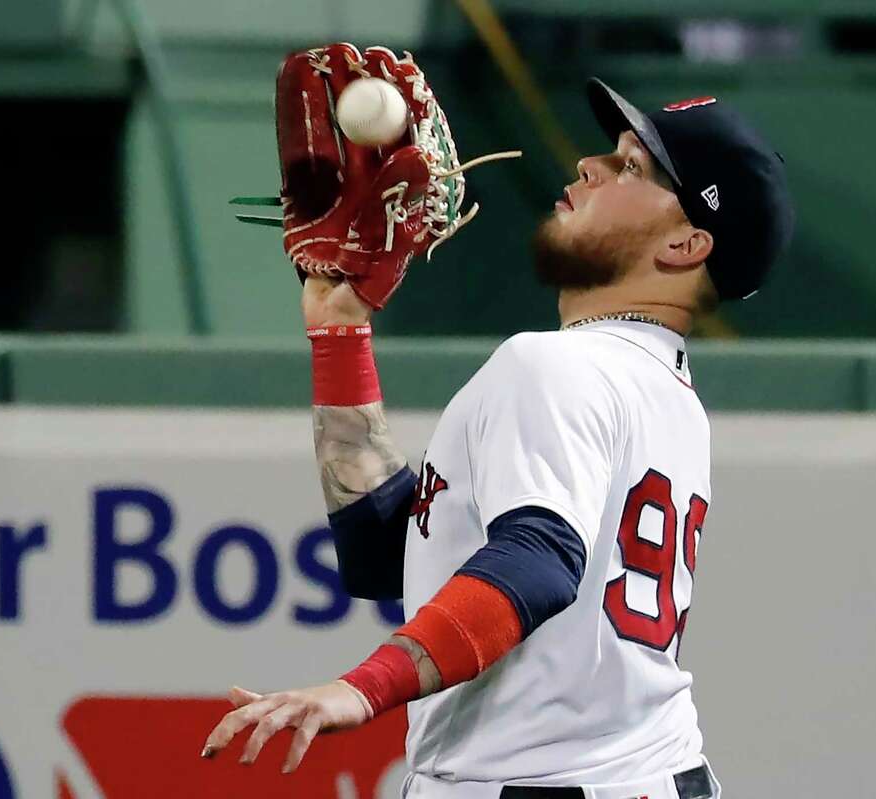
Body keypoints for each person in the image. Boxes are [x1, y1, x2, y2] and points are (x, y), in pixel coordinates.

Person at [202, 70, 793, 799]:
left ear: (685, 245)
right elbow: (388, 558)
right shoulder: (661, 391)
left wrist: (360, 688)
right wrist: (340, 333)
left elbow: (537, 561)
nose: (591, 165)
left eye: (632, 166)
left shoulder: (557, 366)